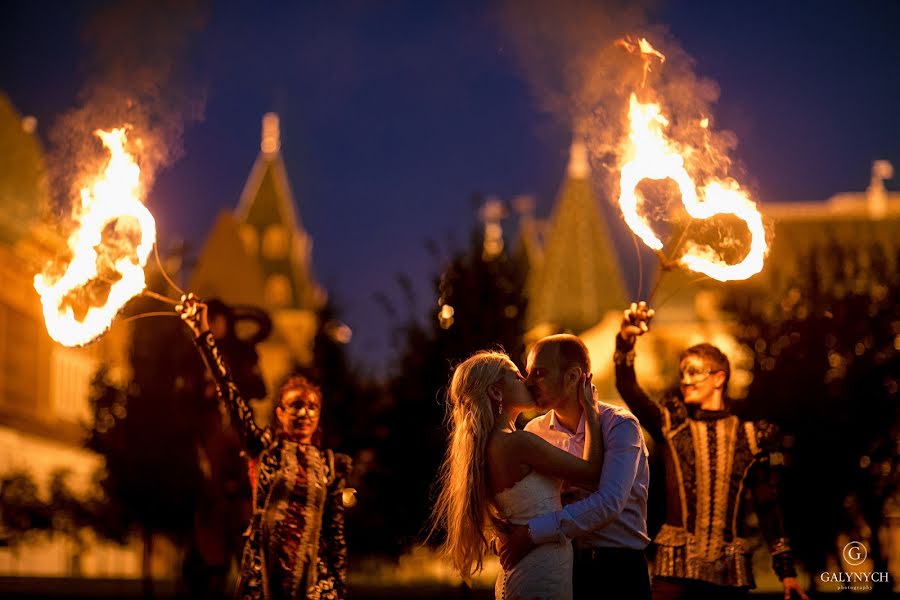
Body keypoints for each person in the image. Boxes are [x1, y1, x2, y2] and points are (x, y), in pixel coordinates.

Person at [615, 302, 809, 600]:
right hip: (673, 575)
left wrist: (786, 571)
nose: (685, 380)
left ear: (719, 378)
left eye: (694, 372)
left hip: (728, 575)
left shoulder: (751, 437)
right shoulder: (673, 425)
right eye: (683, 373)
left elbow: (767, 505)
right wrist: (625, 342)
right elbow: (630, 390)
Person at [179, 295, 351, 600]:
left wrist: (337, 586)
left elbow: (334, 535)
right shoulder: (266, 449)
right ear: (280, 414)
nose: (305, 413)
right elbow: (230, 395)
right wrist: (203, 334)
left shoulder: (330, 465)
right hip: (267, 582)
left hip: (313, 585)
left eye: (312, 406)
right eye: (295, 405)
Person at [430, 349, 603, 600]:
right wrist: (592, 412)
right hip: (541, 574)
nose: (528, 381)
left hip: (526, 571)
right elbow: (591, 472)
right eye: (517, 377)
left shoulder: (490, 445)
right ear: (497, 392)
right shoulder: (518, 443)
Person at [498, 334, 652, 600]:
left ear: (572, 377)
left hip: (618, 568)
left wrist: (533, 533)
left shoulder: (619, 426)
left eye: (540, 373)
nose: (529, 383)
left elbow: (609, 503)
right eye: (527, 374)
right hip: (563, 564)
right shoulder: (535, 431)